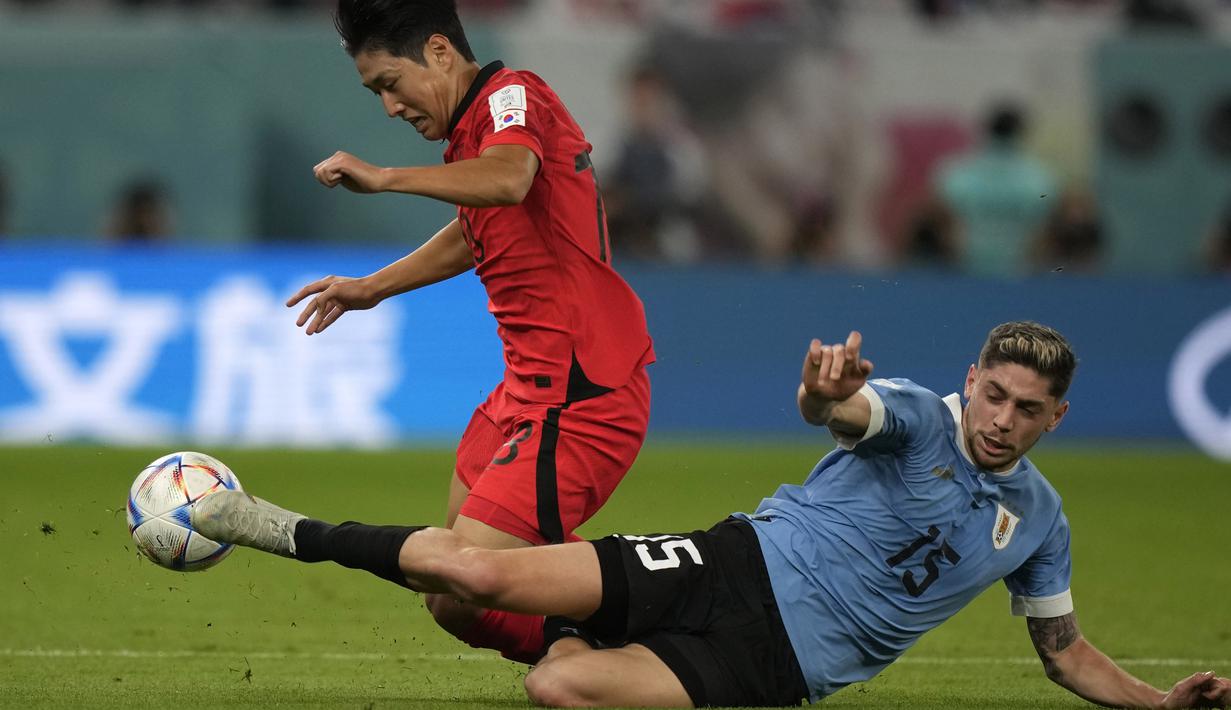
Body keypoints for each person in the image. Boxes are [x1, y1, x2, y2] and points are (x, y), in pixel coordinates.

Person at [193, 322, 1231, 708]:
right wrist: (823, 387)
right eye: (994, 395)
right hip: (725, 563)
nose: (1001, 421)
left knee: (557, 683)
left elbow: (1063, 649)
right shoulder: (920, 415)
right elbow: (840, 408)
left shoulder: (1039, 519)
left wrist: (1154, 702)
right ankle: (268, 523)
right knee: (474, 572)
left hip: (780, 668)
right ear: (973, 381)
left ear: (1057, 416)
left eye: (1026, 409)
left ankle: (589, 632)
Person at [286, 0, 655, 663]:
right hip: (522, 394)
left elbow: (510, 180)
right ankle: (600, 646)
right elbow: (477, 225)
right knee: (452, 591)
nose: (389, 109)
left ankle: (666, 614)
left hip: (582, 398)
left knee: (459, 580)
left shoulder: (513, 97)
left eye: (388, 86)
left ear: (437, 52)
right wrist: (372, 287)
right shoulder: (469, 138)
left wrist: (385, 178)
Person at [937, 102, 1057, 278]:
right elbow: (1042, 233)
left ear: (985, 130)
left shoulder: (956, 175)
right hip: (1019, 273)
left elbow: (946, 226)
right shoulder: (1040, 179)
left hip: (968, 272)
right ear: (1022, 132)